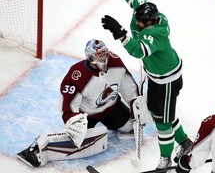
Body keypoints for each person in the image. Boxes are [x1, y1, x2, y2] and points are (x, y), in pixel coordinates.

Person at [101, 0, 193, 171]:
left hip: (167, 81)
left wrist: (120, 33)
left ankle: (165, 160)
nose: (137, 23)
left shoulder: (156, 34)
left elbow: (138, 50)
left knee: (162, 123)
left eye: (140, 22)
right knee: (162, 114)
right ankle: (185, 143)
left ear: (149, 22)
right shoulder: (150, 16)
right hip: (158, 78)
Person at [17, 39, 141, 167]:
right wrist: (73, 120)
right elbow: (69, 103)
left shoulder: (115, 62)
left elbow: (128, 86)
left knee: (129, 127)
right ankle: (39, 150)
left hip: (112, 108)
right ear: (91, 57)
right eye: (100, 54)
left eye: (105, 53)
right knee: (78, 141)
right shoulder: (78, 74)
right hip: (87, 115)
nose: (104, 57)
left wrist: (136, 104)